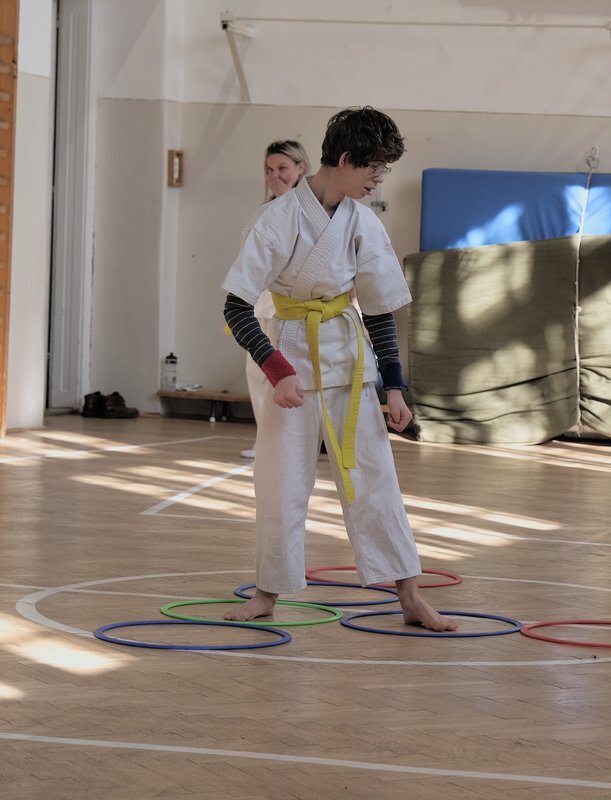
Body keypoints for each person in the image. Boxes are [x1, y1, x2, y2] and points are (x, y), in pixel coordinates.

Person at [220, 107, 456, 631]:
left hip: (349, 362)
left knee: (375, 478)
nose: (378, 180)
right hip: (288, 360)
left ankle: (410, 596)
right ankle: (265, 594)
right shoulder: (276, 220)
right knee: (281, 480)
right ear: (345, 160)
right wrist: (278, 370)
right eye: (373, 169)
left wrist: (394, 387)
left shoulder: (362, 222)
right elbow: (237, 307)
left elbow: (378, 307)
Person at [242, 140, 311, 460]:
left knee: (287, 378)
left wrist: (286, 198)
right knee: (258, 375)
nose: (276, 175)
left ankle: (291, 446)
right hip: (262, 306)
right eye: (270, 169)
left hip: (295, 310)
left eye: (283, 168)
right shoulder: (264, 211)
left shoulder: (315, 210)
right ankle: (264, 443)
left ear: (302, 168)